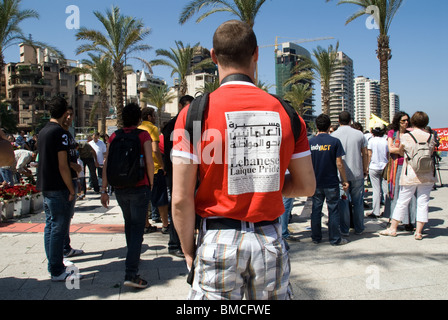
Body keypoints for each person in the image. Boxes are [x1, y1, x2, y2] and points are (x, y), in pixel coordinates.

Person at [171, 20, 316, 300]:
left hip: (217, 239)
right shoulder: (288, 115)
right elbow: (307, 186)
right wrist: (265, 183)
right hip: (269, 240)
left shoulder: (193, 115)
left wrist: (189, 251)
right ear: (256, 54)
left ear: (213, 56)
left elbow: (180, 198)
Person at [101, 103, 155, 289]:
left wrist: (104, 189)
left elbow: (106, 163)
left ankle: (133, 257)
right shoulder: (143, 135)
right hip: (140, 187)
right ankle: (131, 273)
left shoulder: (115, 136)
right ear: (139, 119)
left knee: (129, 224)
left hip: (121, 188)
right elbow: (149, 161)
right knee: (137, 228)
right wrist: (151, 182)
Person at [37, 96, 81, 282]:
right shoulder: (60, 133)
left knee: (51, 226)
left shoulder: (43, 131)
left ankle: (54, 263)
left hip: (46, 185)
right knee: (58, 228)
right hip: (58, 186)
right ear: (64, 112)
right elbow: (63, 165)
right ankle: (56, 268)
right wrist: (71, 189)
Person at [380, 111, 436, 240]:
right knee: (423, 201)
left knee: (402, 200)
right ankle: (419, 232)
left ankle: (393, 228)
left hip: (410, 172)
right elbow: (431, 151)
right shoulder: (430, 136)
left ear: (413, 122)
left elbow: (400, 151)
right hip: (427, 173)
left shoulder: (407, 137)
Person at [162, 95, 194, 257]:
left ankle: (179, 243)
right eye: (188, 106)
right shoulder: (175, 124)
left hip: (180, 172)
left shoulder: (174, 124)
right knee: (178, 206)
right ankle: (175, 244)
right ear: (180, 105)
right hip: (177, 174)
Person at [309, 114, 349, 245]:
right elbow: (339, 163)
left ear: (316, 126)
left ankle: (316, 237)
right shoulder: (335, 142)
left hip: (316, 182)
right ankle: (335, 239)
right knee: (333, 210)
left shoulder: (310, 142)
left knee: (316, 209)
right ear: (329, 126)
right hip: (331, 182)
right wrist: (344, 180)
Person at [332, 111, 369, 236]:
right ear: (350, 121)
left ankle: (344, 229)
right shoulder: (359, 134)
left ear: (338, 120)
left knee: (343, 202)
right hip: (357, 172)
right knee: (358, 202)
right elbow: (365, 153)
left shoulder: (334, 135)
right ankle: (359, 228)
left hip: (341, 175)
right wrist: (365, 168)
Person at [383, 112, 417, 230]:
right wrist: (402, 151)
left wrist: (398, 150)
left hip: (409, 166)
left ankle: (409, 220)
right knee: (394, 192)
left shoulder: (411, 133)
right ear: (398, 122)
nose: (406, 122)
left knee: (410, 194)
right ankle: (393, 218)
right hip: (396, 166)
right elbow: (390, 149)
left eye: (407, 120)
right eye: (403, 121)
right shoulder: (393, 133)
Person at [139, 108, 170, 234]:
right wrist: (162, 166)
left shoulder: (139, 128)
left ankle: (146, 224)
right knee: (161, 198)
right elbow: (155, 149)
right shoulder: (153, 129)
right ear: (149, 116)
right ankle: (165, 224)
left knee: (145, 199)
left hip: (142, 169)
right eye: (154, 115)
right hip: (155, 169)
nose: (155, 117)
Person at [61, 107, 84, 260]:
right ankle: (63, 249)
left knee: (68, 216)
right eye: (66, 114)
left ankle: (65, 247)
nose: (69, 117)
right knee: (61, 219)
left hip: (73, 180)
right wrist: (71, 165)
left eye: (71, 114)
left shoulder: (68, 135)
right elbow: (57, 159)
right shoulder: (58, 135)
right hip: (64, 183)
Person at [366, 123, 389, 218]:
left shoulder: (371, 141)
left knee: (376, 190)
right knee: (386, 190)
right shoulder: (386, 140)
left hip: (374, 166)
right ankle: (388, 211)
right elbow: (388, 155)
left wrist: (366, 166)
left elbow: (369, 154)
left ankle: (376, 211)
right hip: (384, 166)